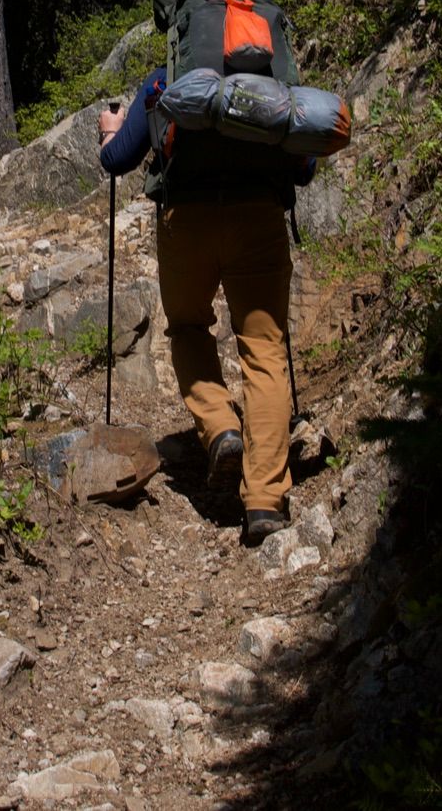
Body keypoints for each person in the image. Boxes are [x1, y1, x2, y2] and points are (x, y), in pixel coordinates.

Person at [99, 64, 313, 545]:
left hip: (187, 219)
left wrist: (110, 133)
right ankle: (264, 499)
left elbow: (117, 161)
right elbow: (306, 167)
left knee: (189, 327)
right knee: (264, 347)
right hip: (258, 216)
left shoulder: (166, 76)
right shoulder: (273, 78)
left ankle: (220, 428)